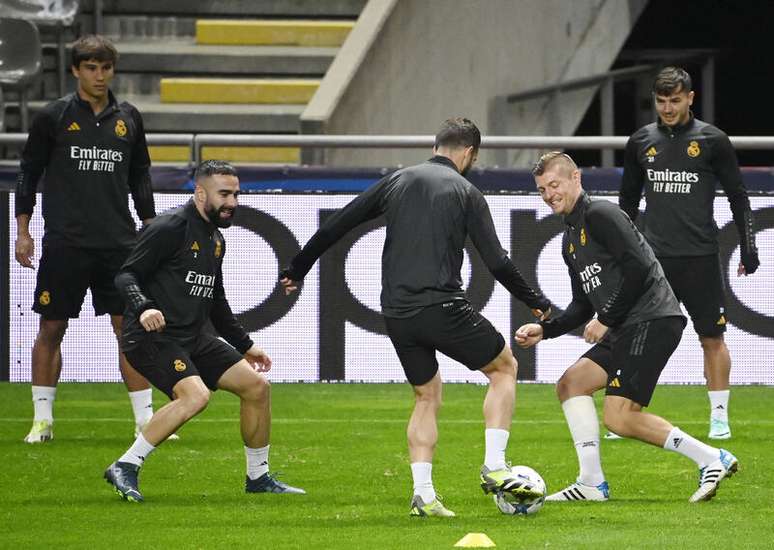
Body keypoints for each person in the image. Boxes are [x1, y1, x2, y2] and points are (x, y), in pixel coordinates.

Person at [280, 118, 550, 517]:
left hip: (397, 314)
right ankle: (495, 465)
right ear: (470, 153)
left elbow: (338, 223)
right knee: (504, 367)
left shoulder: (398, 180)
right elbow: (497, 261)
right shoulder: (466, 191)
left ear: (436, 145)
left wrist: (297, 269)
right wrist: (535, 300)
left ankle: (423, 495)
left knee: (427, 395)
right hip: (441, 307)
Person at [516, 151, 738, 503]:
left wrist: (605, 319)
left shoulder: (601, 214)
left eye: (554, 184)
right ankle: (591, 483)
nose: (549, 194)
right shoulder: (569, 238)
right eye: (542, 189)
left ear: (576, 178)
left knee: (619, 418)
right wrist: (547, 330)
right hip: (626, 324)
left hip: (652, 318)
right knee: (571, 384)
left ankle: (712, 458)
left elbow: (637, 268)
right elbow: (582, 305)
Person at [104, 160, 304, 502]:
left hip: (193, 337)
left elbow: (216, 299)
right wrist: (145, 306)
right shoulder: (170, 227)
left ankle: (258, 477)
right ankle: (126, 464)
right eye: (224, 194)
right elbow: (126, 275)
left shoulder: (215, 238)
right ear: (200, 193)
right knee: (195, 396)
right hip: (152, 337)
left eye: (236, 194)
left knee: (257, 387)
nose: (232, 202)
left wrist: (245, 345)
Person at [15, 35, 158, 443]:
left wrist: (148, 223)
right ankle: (42, 420)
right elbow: (28, 174)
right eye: (91, 67)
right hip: (65, 241)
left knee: (128, 327)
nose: (99, 75)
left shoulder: (129, 117)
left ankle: (145, 421)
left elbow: (140, 175)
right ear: (76, 70)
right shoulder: (53, 116)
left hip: (119, 242)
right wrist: (23, 231)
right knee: (52, 326)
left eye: (106, 67)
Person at [619, 66, 759, 440]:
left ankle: (718, 417)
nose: (667, 108)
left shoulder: (712, 141)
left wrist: (748, 245)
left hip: (699, 257)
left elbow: (738, 196)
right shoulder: (640, 142)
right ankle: (625, 413)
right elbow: (627, 205)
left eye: (675, 100)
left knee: (711, 337)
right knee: (634, 334)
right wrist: (621, 253)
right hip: (654, 260)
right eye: (661, 100)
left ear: (690, 98)